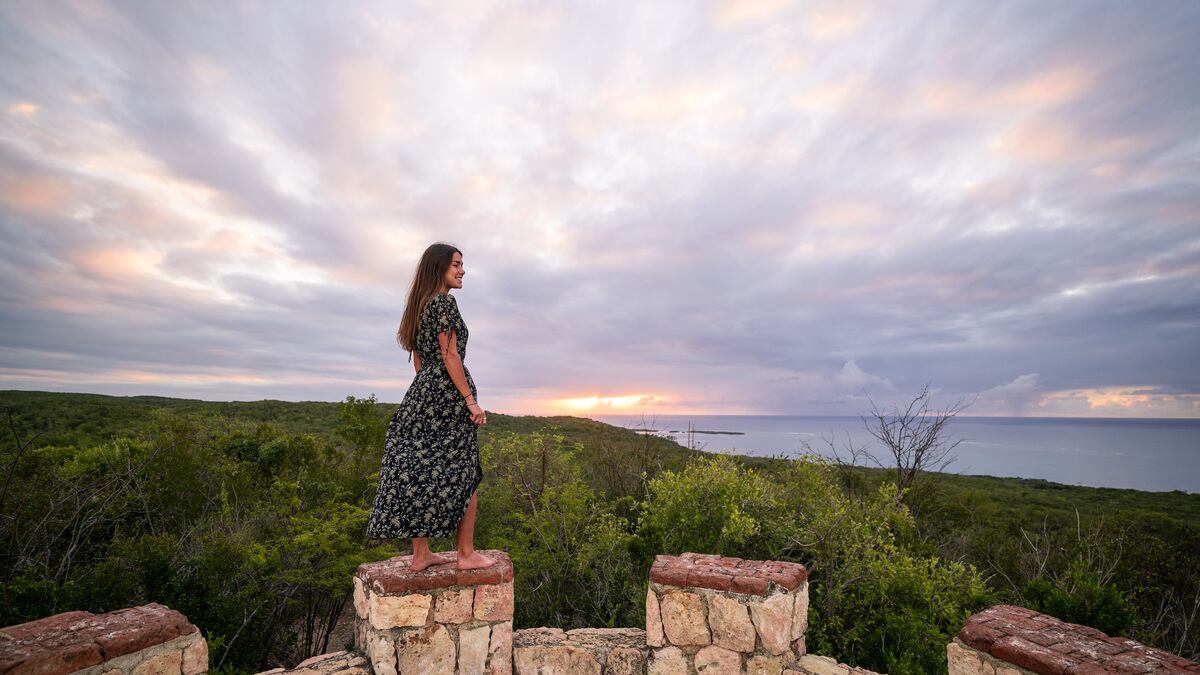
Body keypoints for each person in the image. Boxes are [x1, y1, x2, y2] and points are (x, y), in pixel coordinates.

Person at [365, 242, 495, 572]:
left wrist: (429, 393)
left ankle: (421, 554)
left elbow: (420, 362)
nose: (462, 270)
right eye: (456, 265)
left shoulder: (418, 307)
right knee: (466, 472)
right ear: (439, 268)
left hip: (421, 395)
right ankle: (465, 554)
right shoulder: (444, 303)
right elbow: (450, 355)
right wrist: (470, 401)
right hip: (449, 397)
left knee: (418, 469)